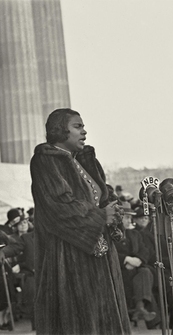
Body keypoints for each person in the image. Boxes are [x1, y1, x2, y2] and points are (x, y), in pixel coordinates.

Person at [14, 108, 131, 335]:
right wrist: (99, 216)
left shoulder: (85, 160)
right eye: (78, 126)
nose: (85, 132)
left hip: (101, 259)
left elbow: (104, 196)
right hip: (69, 261)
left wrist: (114, 212)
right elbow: (59, 207)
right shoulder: (45, 162)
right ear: (60, 130)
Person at [114, 202, 157, 324]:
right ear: (118, 218)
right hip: (119, 269)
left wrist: (138, 260)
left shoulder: (134, 234)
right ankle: (141, 310)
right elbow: (110, 253)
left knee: (145, 271)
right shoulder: (112, 234)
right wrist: (126, 259)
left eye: (130, 217)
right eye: (126, 217)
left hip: (136, 269)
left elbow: (145, 251)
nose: (129, 220)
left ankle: (139, 307)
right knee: (142, 275)